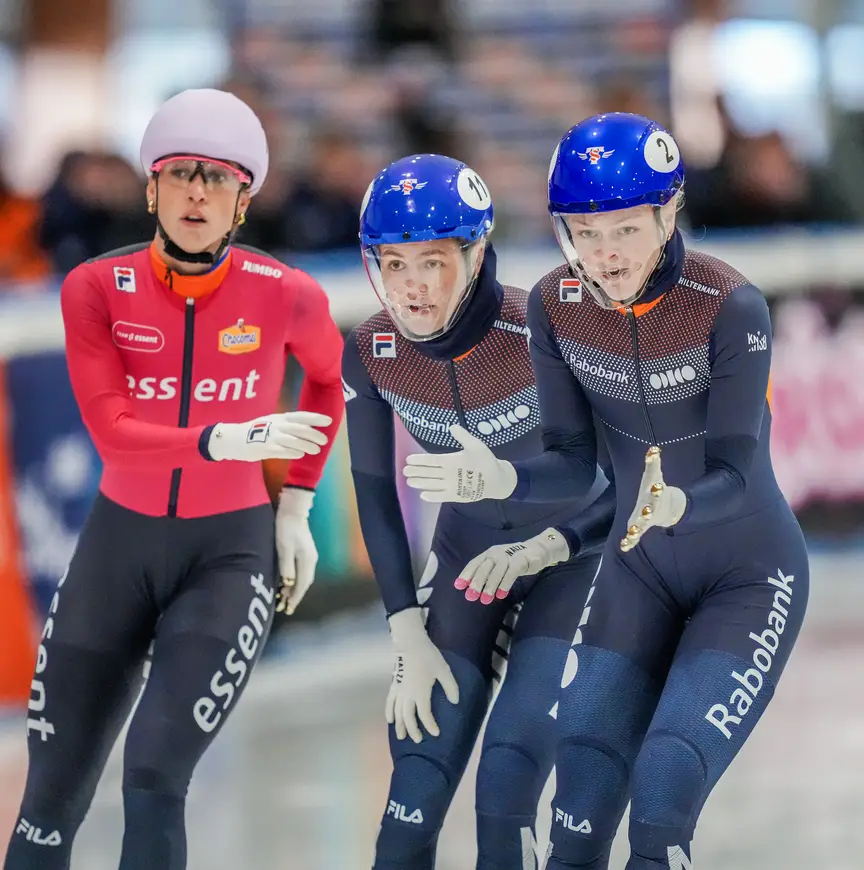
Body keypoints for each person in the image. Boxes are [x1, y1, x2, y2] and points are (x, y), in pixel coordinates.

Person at [403, 114, 809, 869]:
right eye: (585, 233)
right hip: (637, 573)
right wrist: (501, 479)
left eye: (625, 228)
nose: (606, 253)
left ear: (669, 213)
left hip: (747, 578)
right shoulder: (555, 307)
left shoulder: (728, 306)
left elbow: (733, 469)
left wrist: (676, 505)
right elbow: (572, 464)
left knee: (660, 799)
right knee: (577, 809)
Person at [4, 88, 345, 870]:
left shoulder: (286, 294)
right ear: (151, 189)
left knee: (155, 775)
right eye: (181, 173)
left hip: (226, 558)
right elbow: (115, 435)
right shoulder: (94, 287)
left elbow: (330, 382)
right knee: (50, 795)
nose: (198, 192)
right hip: (116, 552)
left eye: (219, 178)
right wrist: (229, 438)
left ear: (244, 202)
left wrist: (294, 501)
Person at [342, 153, 616, 870]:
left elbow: (622, 482)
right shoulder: (372, 349)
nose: (411, 288)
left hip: (573, 566)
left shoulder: (547, 331)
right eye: (392, 265)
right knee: (407, 814)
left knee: (505, 795)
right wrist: (405, 630)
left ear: (475, 253)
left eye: (430, 262)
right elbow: (374, 494)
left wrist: (530, 519)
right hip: (466, 565)